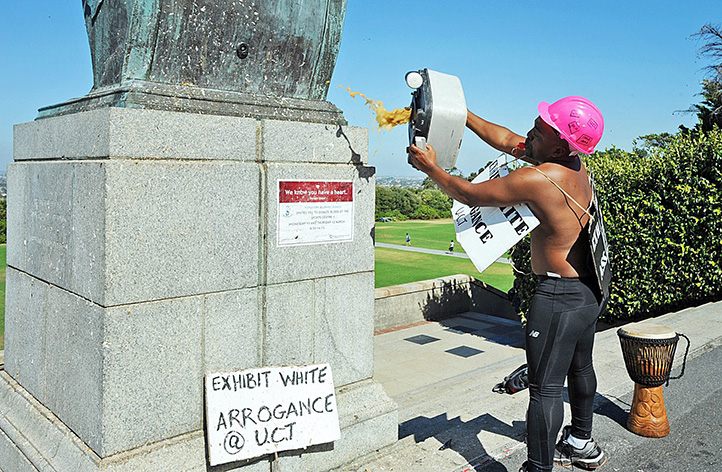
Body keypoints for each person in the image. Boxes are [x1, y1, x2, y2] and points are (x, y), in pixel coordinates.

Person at [407, 96, 608, 472]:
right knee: (580, 369)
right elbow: (504, 139)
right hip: (587, 291)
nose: (529, 133)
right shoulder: (571, 164)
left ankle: (537, 467)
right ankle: (582, 442)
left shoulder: (539, 179)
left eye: (538, 130)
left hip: (558, 298)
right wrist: (461, 116)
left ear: (560, 144)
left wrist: (431, 168)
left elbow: (469, 195)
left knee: (545, 389)